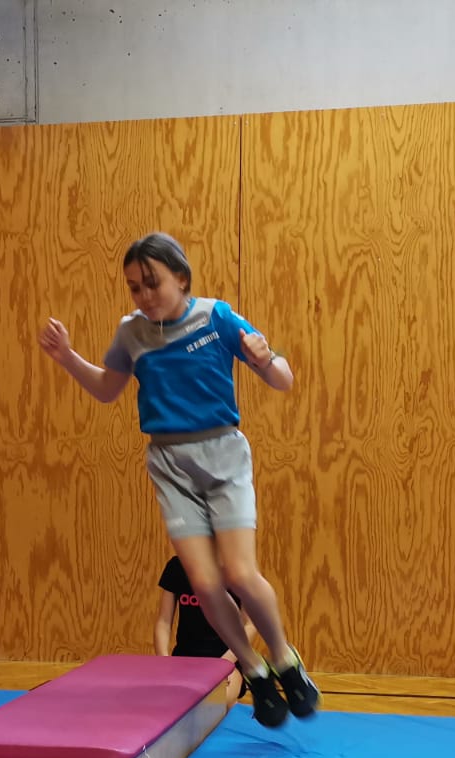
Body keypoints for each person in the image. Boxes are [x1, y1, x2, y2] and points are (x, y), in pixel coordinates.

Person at [38, 231, 318, 727]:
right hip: (170, 462)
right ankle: (252, 669)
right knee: (205, 583)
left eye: (153, 283)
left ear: (182, 279)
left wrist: (264, 357)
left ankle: (283, 658)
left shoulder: (216, 318)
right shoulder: (131, 333)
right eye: (134, 287)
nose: (144, 296)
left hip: (223, 455)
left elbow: (284, 379)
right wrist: (67, 358)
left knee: (239, 574)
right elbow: (107, 388)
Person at [155, 554, 253, 706]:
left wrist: (223, 664)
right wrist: (164, 663)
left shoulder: (238, 567)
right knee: (171, 702)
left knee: (212, 703)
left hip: (225, 661)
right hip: (183, 660)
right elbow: (164, 622)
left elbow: (250, 625)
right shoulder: (178, 566)